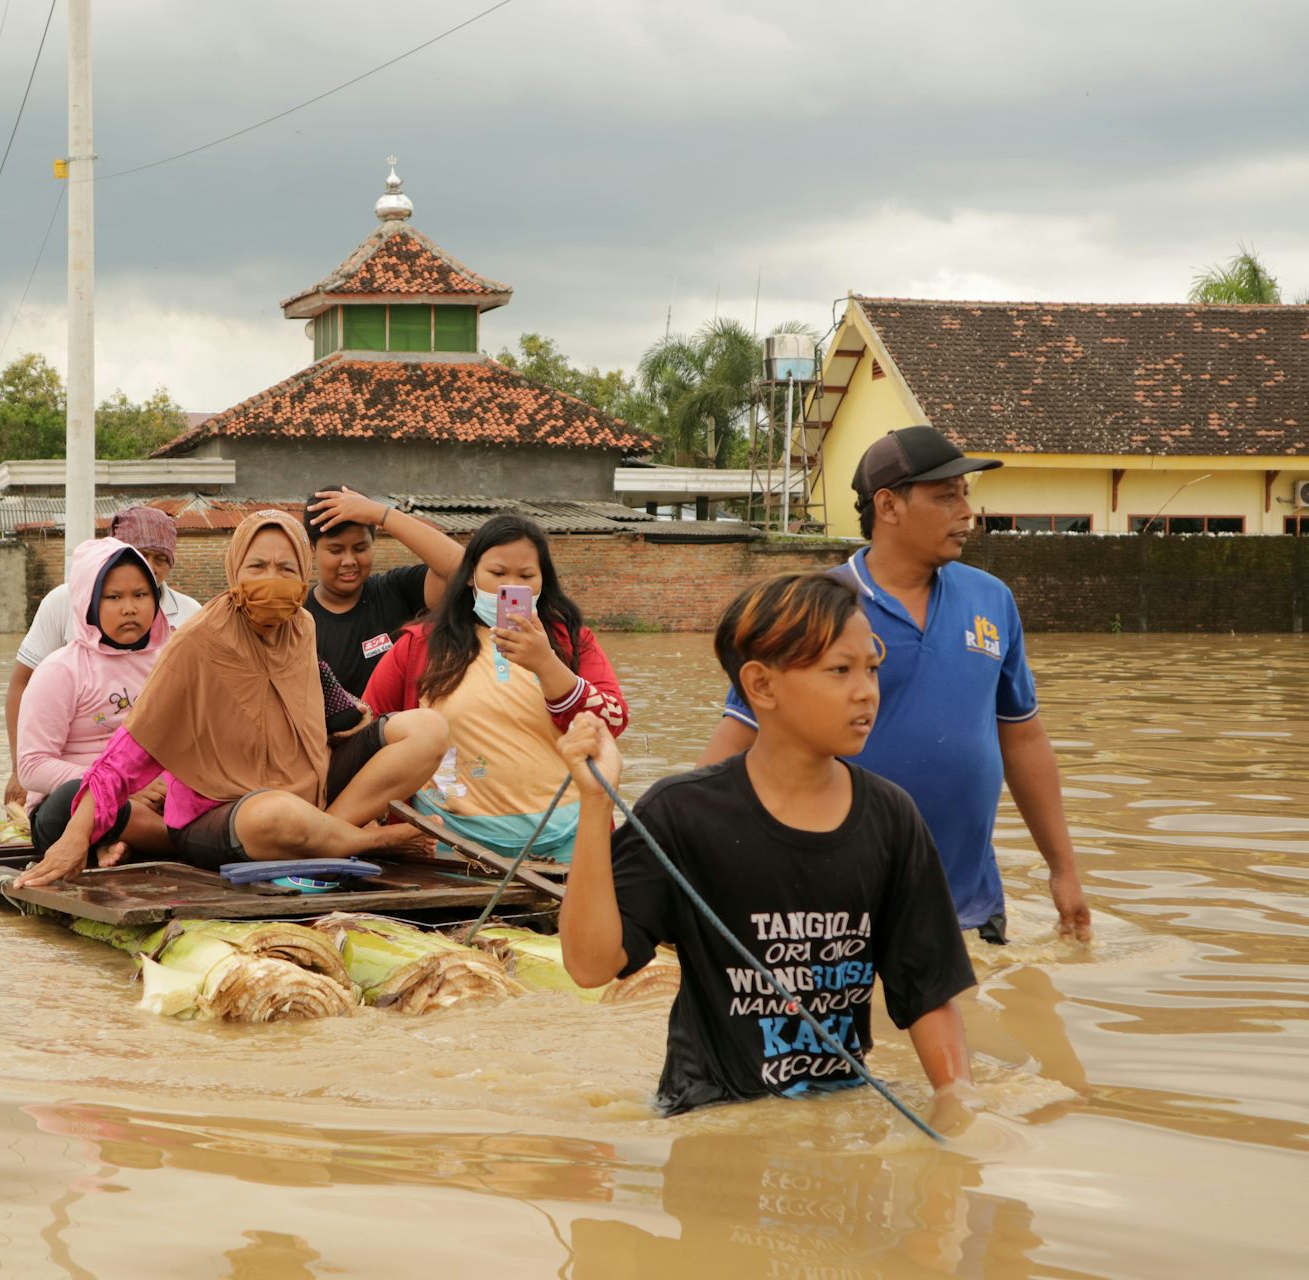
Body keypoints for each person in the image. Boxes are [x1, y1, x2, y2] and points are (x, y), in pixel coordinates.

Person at [558, 572, 981, 1121]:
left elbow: (927, 994)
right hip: (712, 1116)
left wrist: (961, 1106)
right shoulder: (684, 813)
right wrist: (595, 806)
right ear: (761, 686)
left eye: (872, 670)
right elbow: (590, 966)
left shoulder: (892, 818)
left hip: (838, 1110)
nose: (866, 692)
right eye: (840, 671)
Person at [698, 425, 1092, 945]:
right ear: (888, 506)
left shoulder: (992, 600)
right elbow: (738, 739)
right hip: (836, 908)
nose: (965, 511)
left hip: (971, 905)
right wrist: (691, 862)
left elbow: (1023, 739)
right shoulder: (815, 607)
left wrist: (1063, 869)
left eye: (965, 495)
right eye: (945, 496)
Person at [14, 509, 449, 889]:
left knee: (427, 729)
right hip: (220, 812)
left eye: (285, 568)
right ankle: (358, 840)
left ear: (303, 573)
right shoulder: (199, 639)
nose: (271, 580)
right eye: (256, 567)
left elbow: (319, 718)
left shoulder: (303, 628)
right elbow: (131, 749)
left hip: (305, 793)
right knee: (272, 814)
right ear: (234, 571)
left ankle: (324, 834)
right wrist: (77, 834)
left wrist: (355, 724)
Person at [362, 514, 627, 861]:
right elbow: (368, 735)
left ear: (543, 581)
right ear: (471, 576)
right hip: (447, 849)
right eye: (498, 574)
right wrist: (368, 825)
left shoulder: (571, 642)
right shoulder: (417, 647)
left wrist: (546, 664)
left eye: (526, 576)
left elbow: (612, 722)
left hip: (568, 846)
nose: (510, 587)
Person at [4, 505, 198, 805]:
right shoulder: (62, 618)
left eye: (161, 559)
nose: (129, 608)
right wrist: (18, 770)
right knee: (77, 799)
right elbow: (22, 685)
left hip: (149, 790)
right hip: (78, 782)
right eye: (114, 597)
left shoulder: (187, 624)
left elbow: (191, 727)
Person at [16, 536, 174, 856]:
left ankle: (122, 845)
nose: (129, 608)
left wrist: (168, 787)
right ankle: (176, 843)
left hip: (154, 805)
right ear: (87, 602)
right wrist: (120, 787)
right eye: (113, 597)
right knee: (70, 802)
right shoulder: (61, 670)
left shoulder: (171, 661)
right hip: (72, 809)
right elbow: (32, 767)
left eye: (141, 595)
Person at [303, 485, 465, 697]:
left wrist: (382, 514)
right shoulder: (300, 619)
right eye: (336, 550)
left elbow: (462, 569)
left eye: (360, 548)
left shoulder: (396, 590)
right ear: (313, 549)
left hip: (407, 729)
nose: (349, 561)